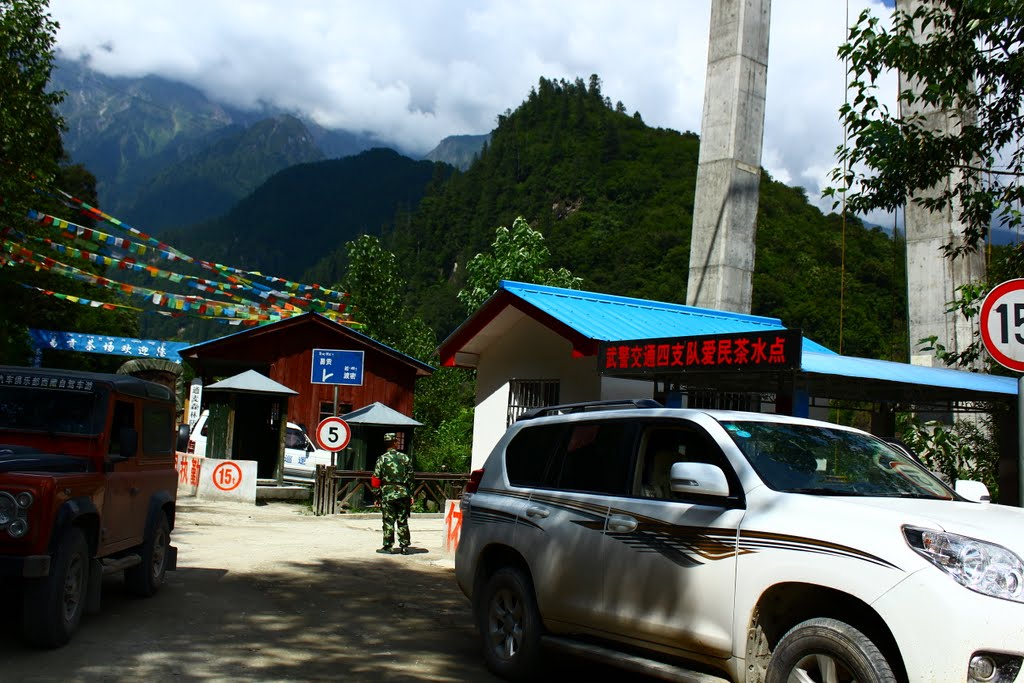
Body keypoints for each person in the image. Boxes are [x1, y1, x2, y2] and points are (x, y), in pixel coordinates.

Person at [371, 432, 414, 555]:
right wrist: (411, 494)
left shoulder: (382, 459)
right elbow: (411, 478)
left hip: (388, 494)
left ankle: (388, 546)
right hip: (403, 493)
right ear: (395, 442)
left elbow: (375, 479)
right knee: (403, 520)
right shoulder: (405, 458)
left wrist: (377, 496)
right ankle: (404, 546)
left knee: (388, 521)